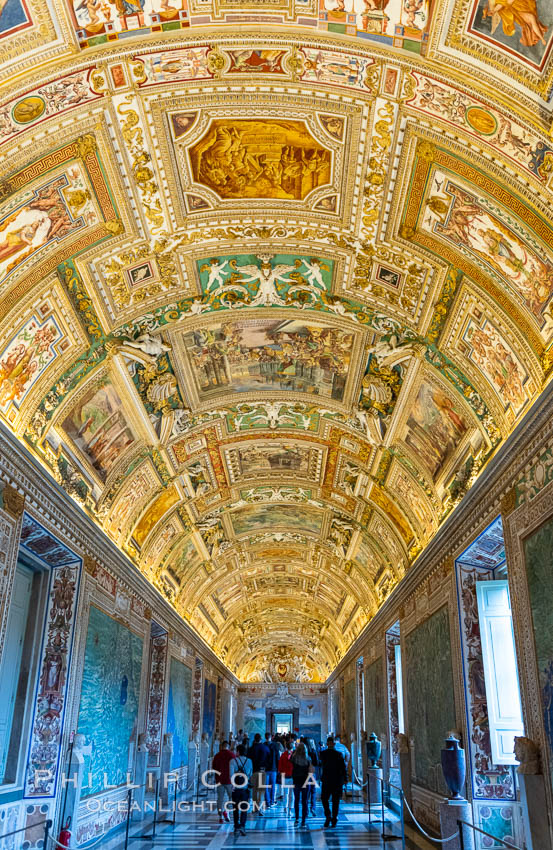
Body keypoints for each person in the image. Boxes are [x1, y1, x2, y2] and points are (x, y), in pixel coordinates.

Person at [320, 737, 347, 828]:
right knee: (335, 801)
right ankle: (334, 818)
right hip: (337, 781)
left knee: (324, 799)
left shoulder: (323, 754)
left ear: (327, 744)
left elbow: (321, 765)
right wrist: (345, 779)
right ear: (333, 744)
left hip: (327, 780)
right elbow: (343, 768)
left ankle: (328, 815)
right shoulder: (339, 754)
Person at [229, 744, 253, 836]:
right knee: (244, 808)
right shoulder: (249, 761)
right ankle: (243, 826)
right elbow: (250, 773)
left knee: (235, 808)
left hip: (235, 788)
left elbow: (231, 775)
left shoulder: (232, 761)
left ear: (238, 751)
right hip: (245, 788)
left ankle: (236, 827)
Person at [212, 740, 236, 823]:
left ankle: (221, 816)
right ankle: (227, 812)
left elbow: (214, 768)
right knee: (231, 797)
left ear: (222, 746)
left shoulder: (217, 756)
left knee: (220, 798)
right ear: (228, 747)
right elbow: (235, 768)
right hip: (229, 781)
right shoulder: (232, 755)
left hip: (219, 780)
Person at [247, 733, 270, 816]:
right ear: (261, 739)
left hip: (253, 771)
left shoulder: (251, 749)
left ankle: (254, 807)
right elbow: (269, 759)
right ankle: (260, 808)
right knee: (261, 791)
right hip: (262, 771)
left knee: (254, 791)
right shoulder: (265, 748)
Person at [291, 742, 313, 828]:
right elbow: (310, 770)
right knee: (305, 801)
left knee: (296, 800)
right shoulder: (308, 758)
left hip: (296, 780)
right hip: (305, 781)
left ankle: (296, 818)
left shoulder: (294, 757)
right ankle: (303, 820)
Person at [265, 733, 283, 807]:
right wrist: (279, 768)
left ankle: (267, 802)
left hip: (266, 769)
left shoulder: (264, 745)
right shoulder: (275, 745)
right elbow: (278, 757)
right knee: (273, 785)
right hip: (273, 768)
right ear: (271, 737)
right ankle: (272, 801)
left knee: (266, 786)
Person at [278, 740, 294, 817]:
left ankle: (285, 808)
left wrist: (281, 773)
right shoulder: (294, 755)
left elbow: (280, 766)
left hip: (284, 776)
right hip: (292, 776)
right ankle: (290, 809)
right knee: (291, 794)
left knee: (285, 793)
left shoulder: (283, 755)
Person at [306, 738, 319, 815]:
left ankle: (306, 810)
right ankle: (313, 808)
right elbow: (317, 762)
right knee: (313, 792)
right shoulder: (314, 752)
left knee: (307, 793)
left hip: (306, 773)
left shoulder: (304, 752)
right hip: (312, 773)